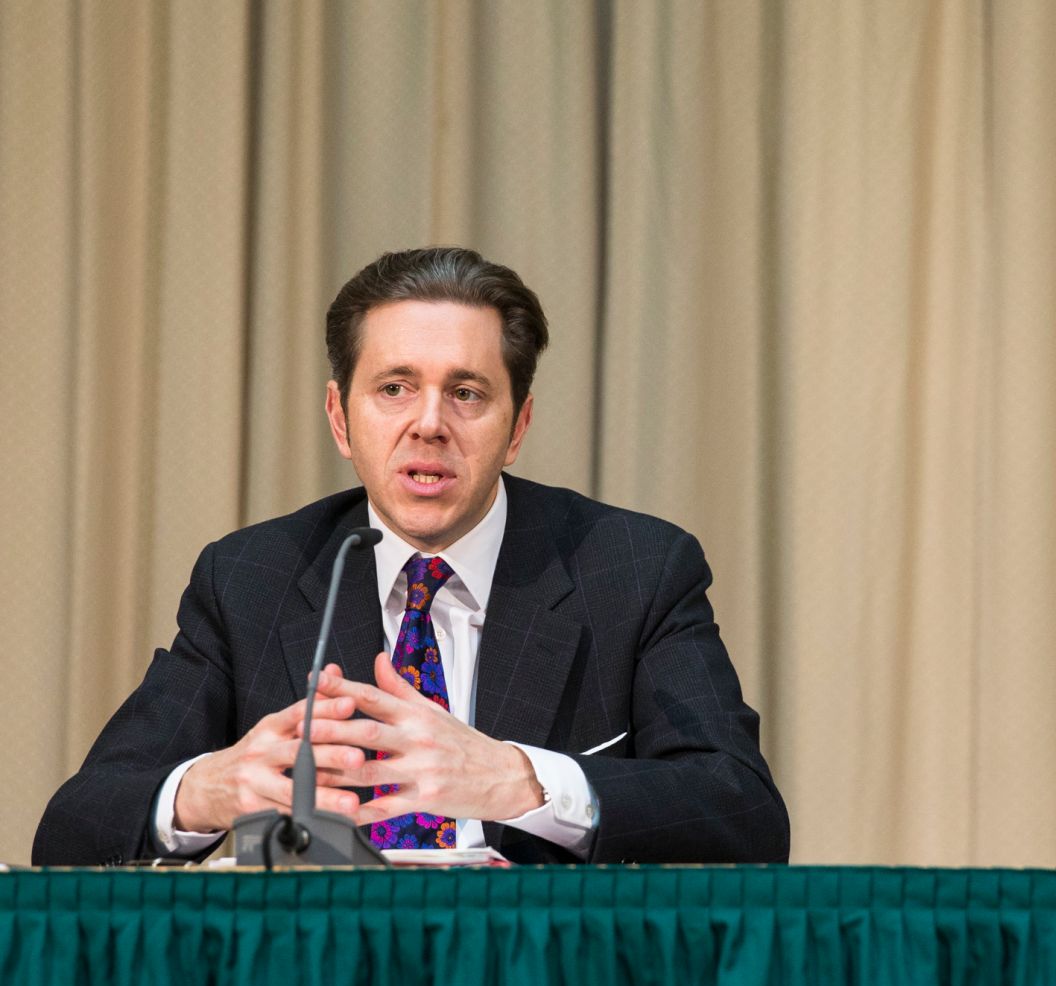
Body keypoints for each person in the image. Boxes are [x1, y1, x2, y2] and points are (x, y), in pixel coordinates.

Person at [34, 247, 789, 866]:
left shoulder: (632, 570)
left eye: (466, 393)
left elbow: (746, 813)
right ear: (340, 417)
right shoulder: (253, 579)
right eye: (395, 387)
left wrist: (523, 783)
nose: (429, 424)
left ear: (518, 425)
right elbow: (73, 827)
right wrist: (208, 789)